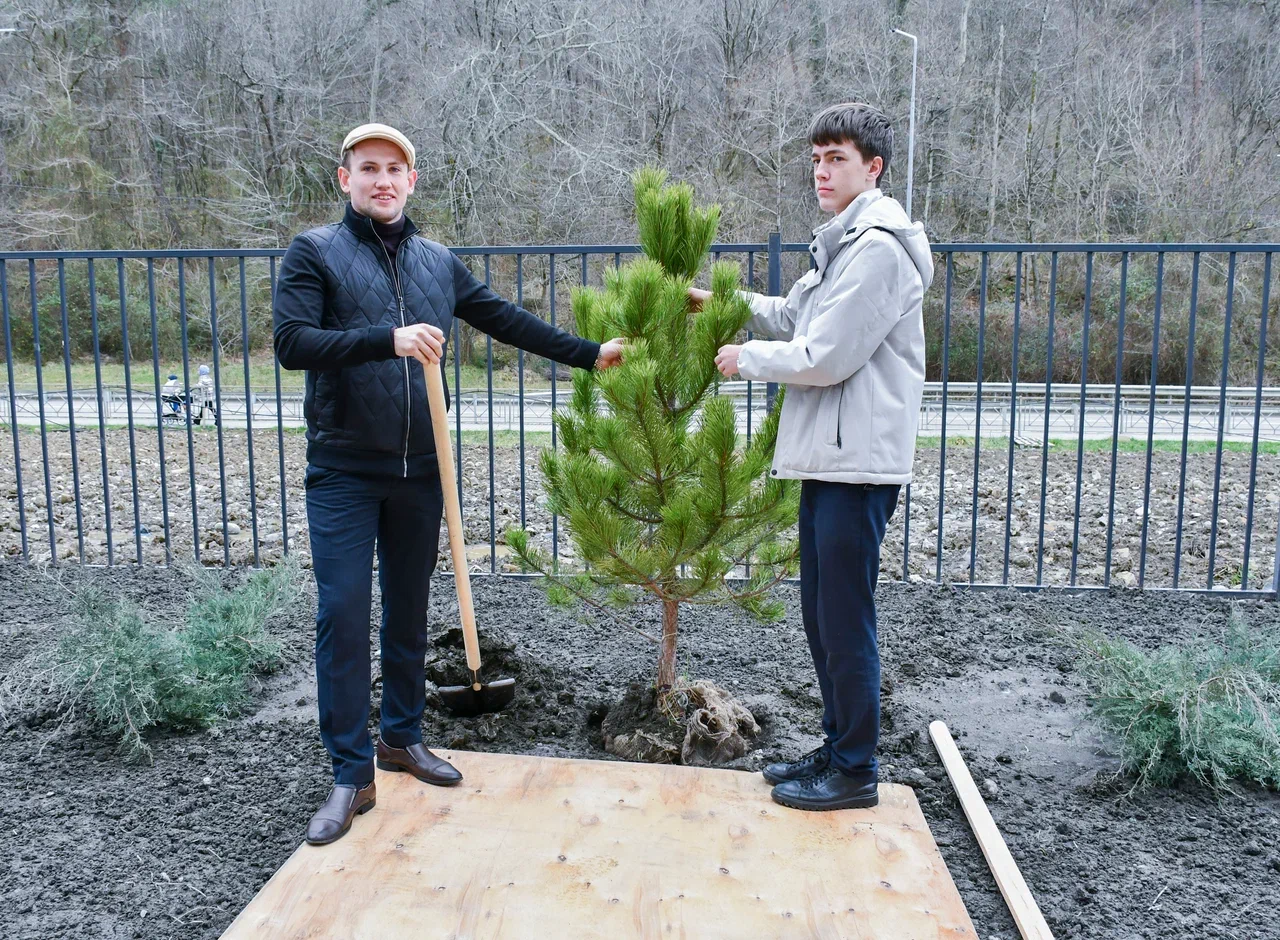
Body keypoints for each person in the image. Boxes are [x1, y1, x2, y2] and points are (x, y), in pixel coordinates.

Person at [273, 122, 623, 846]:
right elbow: (292, 343)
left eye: (394, 169)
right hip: (344, 468)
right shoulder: (316, 252)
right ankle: (350, 774)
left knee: (408, 609)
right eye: (368, 168)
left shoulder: (438, 263)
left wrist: (591, 355)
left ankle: (401, 738)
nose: (382, 180)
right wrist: (388, 339)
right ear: (345, 179)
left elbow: (505, 320)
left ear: (412, 180)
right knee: (343, 614)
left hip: (422, 469)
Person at [693, 102, 933, 811]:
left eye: (838, 159)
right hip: (834, 460)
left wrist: (746, 358)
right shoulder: (846, 243)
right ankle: (837, 747)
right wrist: (720, 301)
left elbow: (824, 356)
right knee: (823, 618)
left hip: (857, 466)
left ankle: (855, 771)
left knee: (845, 622)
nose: (822, 172)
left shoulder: (879, 249)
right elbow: (797, 315)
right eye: (817, 159)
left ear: (874, 167)